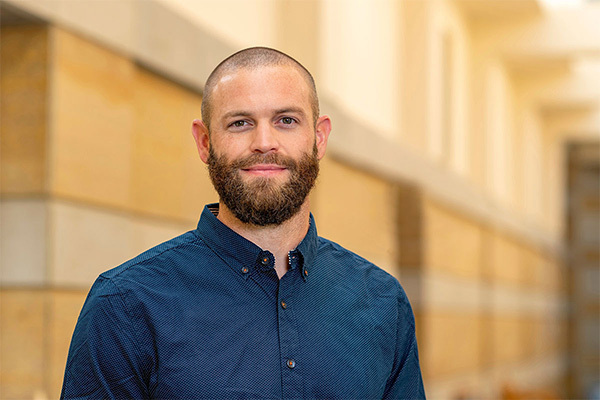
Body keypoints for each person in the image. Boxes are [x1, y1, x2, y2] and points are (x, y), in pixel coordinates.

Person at [61, 47, 425, 399]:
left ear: (319, 137)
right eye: (240, 123)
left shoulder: (381, 302)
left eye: (286, 120)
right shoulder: (126, 304)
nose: (264, 142)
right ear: (205, 142)